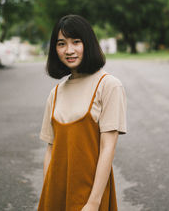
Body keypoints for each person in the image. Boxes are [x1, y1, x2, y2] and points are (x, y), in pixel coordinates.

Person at [37, 14, 127, 211]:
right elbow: (50, 149)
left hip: (89, 195)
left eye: (76, 42)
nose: (69, 50)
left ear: (88, 43)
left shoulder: (109, 85)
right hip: (55, 194)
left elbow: (107, 149)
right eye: (61, 44)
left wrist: (93, 203)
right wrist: (48, 191)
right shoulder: (55, 93)